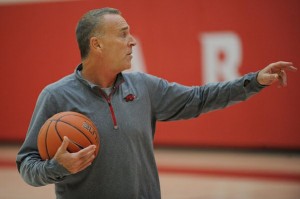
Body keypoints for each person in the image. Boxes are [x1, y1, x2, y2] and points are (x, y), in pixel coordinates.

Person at [16, 7, 297, 199]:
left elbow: (200, 98)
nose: (132, 41)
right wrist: (57, 167)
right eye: (123, 34)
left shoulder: (144, 87)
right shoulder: (56, 96)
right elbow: (27, 165)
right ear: (97, 44)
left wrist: (256, 80)